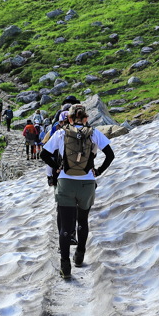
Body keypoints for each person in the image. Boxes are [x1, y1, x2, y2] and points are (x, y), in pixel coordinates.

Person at [40, 104, 115, 280]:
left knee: (65, 226)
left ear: (70, 119)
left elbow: (44, 154)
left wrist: (57, 168)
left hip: (66, 182)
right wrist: (98, 170)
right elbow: (110, 155)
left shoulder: (61, 133)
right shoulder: (94, 133)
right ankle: (80, 255)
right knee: (82, 220)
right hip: (87, 183)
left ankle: (65, 266)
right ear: (86, 118)